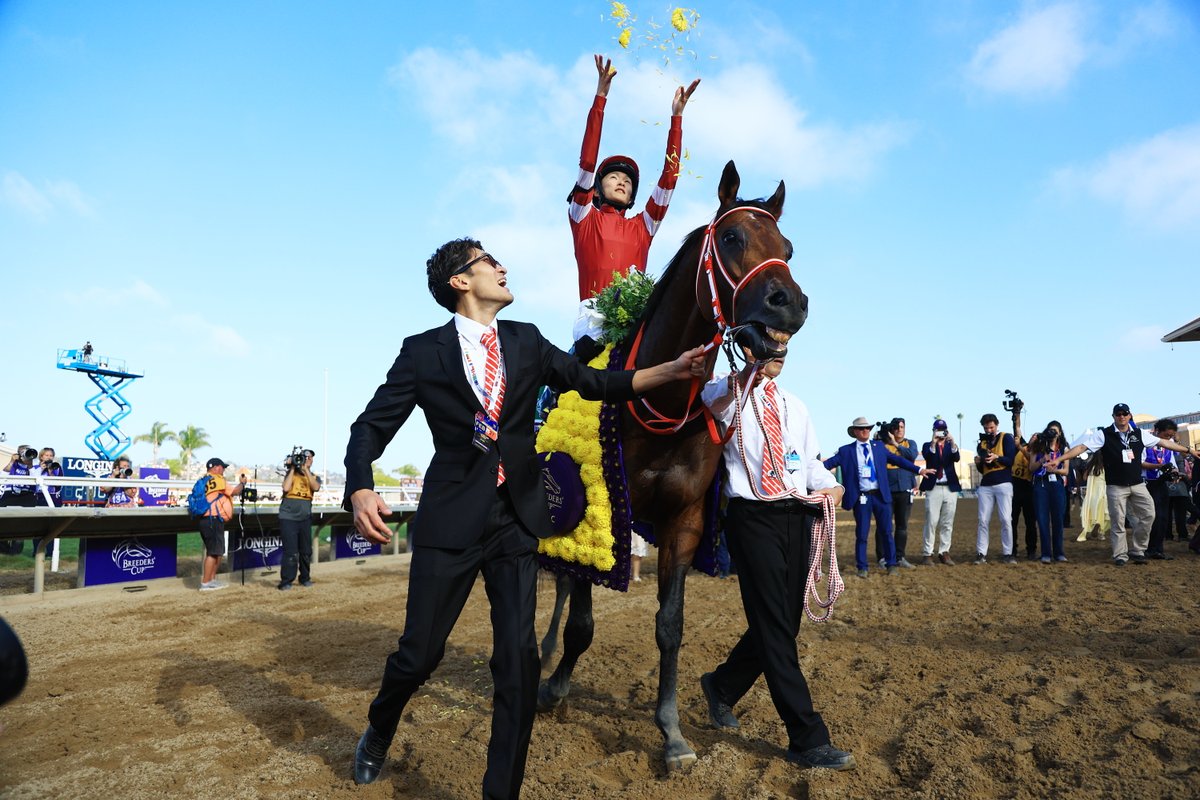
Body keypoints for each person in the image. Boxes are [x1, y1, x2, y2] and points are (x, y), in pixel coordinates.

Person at [343, 237, 706, 794]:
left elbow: (598, 384)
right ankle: (378, 729)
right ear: (461, 282)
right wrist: (361, 487)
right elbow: (370, 426)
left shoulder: (527, 341)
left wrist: (672, 369)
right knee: (419, 656)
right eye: (487, 261)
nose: (501, 265)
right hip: (450, 522)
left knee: (516, 662)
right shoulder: (422, 351)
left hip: (517, 519)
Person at [698, 351, 855, 771]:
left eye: (784, 346)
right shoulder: (727, 392)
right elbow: (707, 400)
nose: (779, 353)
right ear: (748, 347)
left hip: (797, 514)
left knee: (781, 624)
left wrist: (832, 489)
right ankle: (806, 737)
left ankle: (722, 686)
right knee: (775, 627)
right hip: (752, 516)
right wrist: (745, 369)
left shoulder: (796, 405)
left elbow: (811, 467)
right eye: (768, 343)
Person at [568, 54, 700, 354]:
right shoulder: (583, 218)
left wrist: (676, 119)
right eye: (613, 177)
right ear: (596, 189)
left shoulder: (643, 226)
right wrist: (600, 97)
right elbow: (587, 162)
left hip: (639, 321)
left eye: (627, 181)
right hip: (593, 324)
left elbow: (669, 179)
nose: (622, 182)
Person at [1047, 404, 1199, 566]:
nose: (1121, 416)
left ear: (1129, 415)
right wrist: (1059, 459)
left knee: (1149, 515)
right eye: (1118, 414)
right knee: (1118, 521)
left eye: (1124, 413)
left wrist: (1188, 450)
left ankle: (1138, 549)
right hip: (1116, 486)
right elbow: (1082, 447)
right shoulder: (1104, 434)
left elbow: (1164, 443)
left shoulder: (1139, 434)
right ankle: (1120, 554)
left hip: (1138, 484)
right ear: (1113, 416)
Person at [823, 418, 932, 578]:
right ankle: (862, 567)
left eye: (867, 428)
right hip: (861, 497)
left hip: (880, 496)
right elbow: (827, 465)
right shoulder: (846, 451)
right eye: (861, 429)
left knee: (887, 531)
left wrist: (919, 470)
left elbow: (898, 460)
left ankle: (892, 564)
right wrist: (808, 474)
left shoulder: (879, 447)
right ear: (854, 432)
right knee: (862, 533)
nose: (865, 431)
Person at [973, 413, 1018, 564]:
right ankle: (981, 553)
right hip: (986, 484)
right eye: (986, 428)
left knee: (1006, 519)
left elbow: (1010, 460)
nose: (989, 430)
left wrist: (996, 457)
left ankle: (1008, 553)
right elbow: (982, 469)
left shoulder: (1006, 438)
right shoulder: (982, 444)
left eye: (991, 427)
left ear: (997, 425)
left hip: (1003, 482)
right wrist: (979, 462)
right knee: (983, 520)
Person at [196, 457, 246, 591]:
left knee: (216, 552)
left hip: (208, 520)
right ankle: (206, 583)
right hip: (213, 520)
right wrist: (242, 484)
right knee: (213, 553)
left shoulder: (203, 480)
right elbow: (234, 492)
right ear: (216, 467)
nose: (223, 470)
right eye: (222, 467)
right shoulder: (218, 480)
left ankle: (211, 580)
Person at [918, 419, 960, 566]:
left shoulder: (951, 446)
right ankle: (927, 553)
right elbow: (928, 456)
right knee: (931, 520)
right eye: (938, 430)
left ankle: (944, 552)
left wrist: (953, 442)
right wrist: (933, 443)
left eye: (943, 430)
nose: (941, 433)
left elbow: (956, 458)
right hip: (934, 487)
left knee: (947, 521)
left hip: (950, 487)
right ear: (933, 431)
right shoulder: (927, 446)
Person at [1027, 423, 1070, 563]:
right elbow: (1031, 467)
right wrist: (1041, 460)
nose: (1052, 433)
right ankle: (1046, 553)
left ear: (1060, 433)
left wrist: (1055, 470)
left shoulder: (1064, 448)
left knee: (1058, 519)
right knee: (1042, 519)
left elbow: (1066, 471)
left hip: (1056, 483)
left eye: (1055, 431)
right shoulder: (1037, 447)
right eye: (1050, 430)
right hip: (1041, 483)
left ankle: (1059, 553)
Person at [278, 449, 320, 590]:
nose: (307, 459)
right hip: (288, 518)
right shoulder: (291, 474)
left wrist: (306, 470)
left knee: (306, 551)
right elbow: (285, 488)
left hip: (305, 518)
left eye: (310, 458)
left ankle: (305, 578)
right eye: (305, 457)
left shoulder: (313, 476)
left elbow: (316, 487)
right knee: (290, 552)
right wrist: (292, 468)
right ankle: (286, 581)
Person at [882, 418, 919, 569]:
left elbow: (911, 456)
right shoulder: (883, 445)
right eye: (896, 427)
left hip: (904, 489)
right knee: (884, 526)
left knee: (902, 526)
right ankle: (883, 558)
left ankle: (900, 557)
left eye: (902, 427)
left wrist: (896, 444)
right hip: (887, 490)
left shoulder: (910, 443)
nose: (899, 430)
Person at [1142, 418, 1181, 560]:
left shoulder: (1168, 446)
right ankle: (1148, 548)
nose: (1169, 439)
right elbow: (1141, 463)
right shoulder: (1146, 444)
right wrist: (1159, 466)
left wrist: (1175, 472)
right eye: (1166, 436)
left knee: (1164, 517)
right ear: (1157, 432)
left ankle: (1158, 549)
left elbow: (1172, 463)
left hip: (1162, 484)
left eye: (1170, 436)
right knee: (1153, 517)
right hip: (1148, 483)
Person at [1010, 420, 1038, 560]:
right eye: (1033, 436)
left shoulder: (1036, 452)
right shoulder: (1023, 445)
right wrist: (1017, 413)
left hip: (1029, 487)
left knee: (1030, 522)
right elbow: (1018, 428)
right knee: (1012, 520)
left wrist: (1020, 447)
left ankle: (1031, 550)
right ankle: (1012, 549)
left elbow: (1031, 461)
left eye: (1036, 437)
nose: (1034, 438)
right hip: (1015, 485)